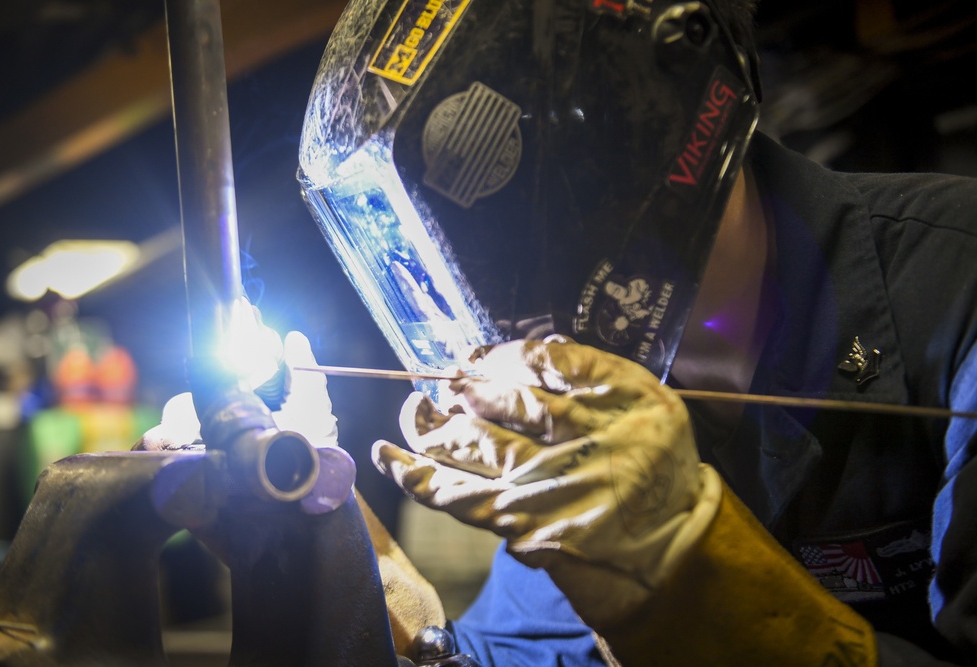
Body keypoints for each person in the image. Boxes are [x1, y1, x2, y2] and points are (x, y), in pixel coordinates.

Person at [296, 0, 977, 664]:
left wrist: (692, 572)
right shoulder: (600, 394)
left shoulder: (958, 285)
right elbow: (519, 648)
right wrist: (323, 551)